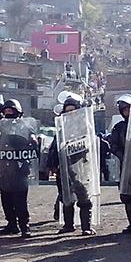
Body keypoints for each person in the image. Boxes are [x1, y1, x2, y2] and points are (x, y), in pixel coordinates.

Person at [46, 94, 96, 236]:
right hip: (65, 169)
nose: (70, 113)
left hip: (81, 167)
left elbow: (91, 146)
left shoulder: (85, 127)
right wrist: (52, 164)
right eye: (67, 111)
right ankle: (69, 225)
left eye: (73, 110)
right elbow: (55, 147)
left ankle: (86, 226)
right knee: (66, 198)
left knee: (84, 198)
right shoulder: (61, 128)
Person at [0, 98, 34, 237]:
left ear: (18, 112)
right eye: (6, 111)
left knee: (20, 200)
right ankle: (12, 224)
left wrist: (33, 140)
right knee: (6, 199)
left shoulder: (25, 126)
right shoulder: (0, 127)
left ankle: (25, 226)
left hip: (20, 168)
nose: (8, 113)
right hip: (5, 168)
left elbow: (32, 140)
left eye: (11, 111)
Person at [108, 96, 131, 232]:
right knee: (127, 196)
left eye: (129, 108)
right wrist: (124, 157)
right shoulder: (119, 127)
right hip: (126, 165)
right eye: (124, 109)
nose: (127, 111)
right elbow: (113, 145)